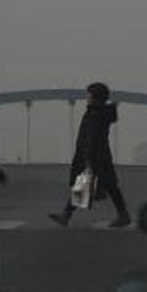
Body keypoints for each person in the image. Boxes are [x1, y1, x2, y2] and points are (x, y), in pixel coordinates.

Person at [48, 82, 131, 228]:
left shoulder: (95, 114)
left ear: (95, 98)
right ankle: (66, 215)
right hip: (101, 155)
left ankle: (66, 216)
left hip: (94, 156)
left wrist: (87, 159)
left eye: (89, 95)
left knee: (88, 185)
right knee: (107, 186)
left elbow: (90, 138)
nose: (87, 97)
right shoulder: (100, 113)